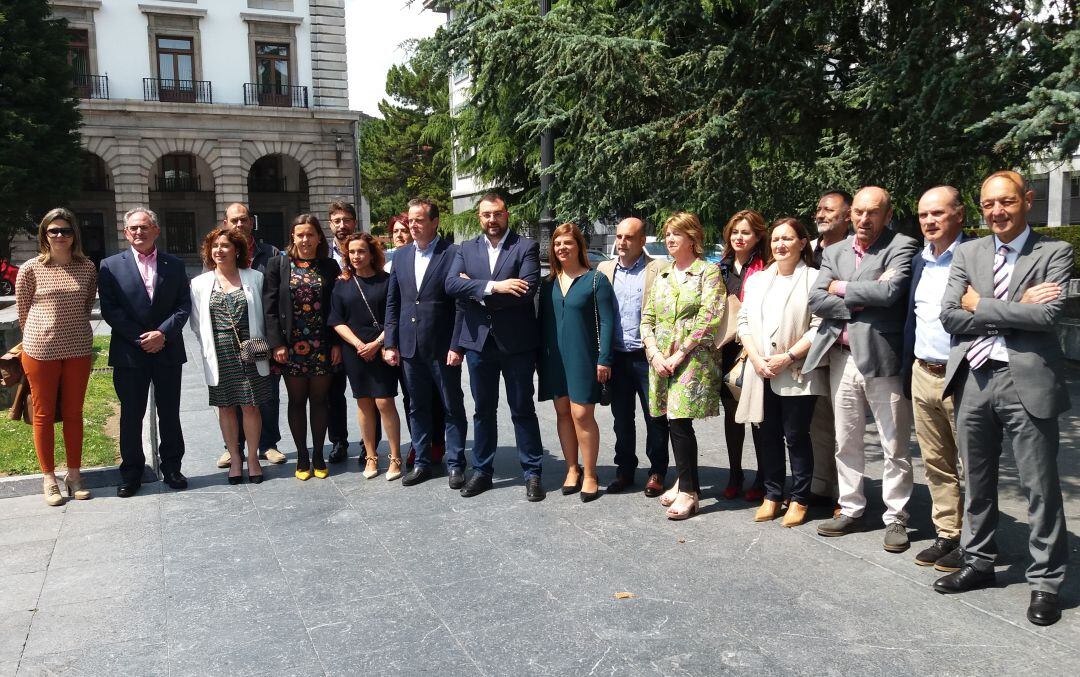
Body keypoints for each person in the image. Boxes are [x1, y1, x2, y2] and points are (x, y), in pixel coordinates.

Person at [934, 171, 1073, 627]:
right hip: (974, 377)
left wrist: (983, 304)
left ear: (1026, 201)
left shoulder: (1055, 251)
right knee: (976, 479)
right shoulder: (970, 251)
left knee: (1040, 487)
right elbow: (949, 316)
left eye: (1006, 202)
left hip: (1027, 382)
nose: (997, 211)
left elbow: (1048, 315)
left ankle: (1046, 582)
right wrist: (1015, 308)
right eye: (989, 204)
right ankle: (978, 562)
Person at [804, 186, 918, 552]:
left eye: (874, 212)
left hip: (884, 359)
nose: (864, 219)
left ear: (887, 214)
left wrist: (842, 288)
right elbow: (817, 300)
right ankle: (851, 507)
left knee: (893, 443)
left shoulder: (902, 245)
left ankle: (896, 516)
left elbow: (891, 294)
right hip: (842, 357)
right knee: (846, 438)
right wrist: (861, 293)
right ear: (850, 214)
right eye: (859, 212)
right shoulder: (834, 250)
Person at [445, 193, 546, 501]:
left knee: (522, 409)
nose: (492, 220)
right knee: (482, 410)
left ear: (507, 214)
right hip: (478, 344)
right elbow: (451, 285)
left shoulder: (525, 246)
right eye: (486, 214)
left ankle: (532, 473)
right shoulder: (466, 248)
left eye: (497, 214)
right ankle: (483, 471)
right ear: (480, 218)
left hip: (516, 344)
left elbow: (526, 291)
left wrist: (473, 289)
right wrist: (495, 286)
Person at [735, 218, 823, 527]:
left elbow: (819, 327)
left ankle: (799, 498)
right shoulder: (758, 279)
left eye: (787, 238)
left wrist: (787, 357)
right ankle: (772, 494)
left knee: (796, 436)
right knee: (766, 435)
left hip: (796, 370)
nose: (780, 245)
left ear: (803, 243)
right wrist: (757, 358)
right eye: (775, 239)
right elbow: (743, 321)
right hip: (761, 370)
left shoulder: (815, 279)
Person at [98, 207, 191, 497]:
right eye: (134, 228)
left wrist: (163, 333)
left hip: (167, 349)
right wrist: (141, 339)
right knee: (131, 415)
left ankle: (173, 467)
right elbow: (110, 309)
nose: (139, 232)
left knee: (169, 413)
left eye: (145, 227)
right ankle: (132, 473)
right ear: (126, 233)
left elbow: (183, 305)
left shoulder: (174, 264)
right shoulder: (110, 266)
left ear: (156, 231)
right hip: (130, 352)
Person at [902, 186, 968, 570]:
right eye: (924, 214)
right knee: (936, 461)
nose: (929, 221)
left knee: (971, 463)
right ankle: (949, 534)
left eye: (938, 213)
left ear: (958, 215)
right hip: (923, 370)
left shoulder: (975, 256)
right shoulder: (920, 261)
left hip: (963, 374)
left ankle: (976, 541)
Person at [641, 212, 724, 520]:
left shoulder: (708, 272)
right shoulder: (663, 275)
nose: (670, 239)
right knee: (668, 419)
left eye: (676, 234)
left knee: (679, 419)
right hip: (661, 358)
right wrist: (653, 353)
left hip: (692, 358)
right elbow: (647, 318)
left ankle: (689, 492)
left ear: (693, 237)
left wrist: (680, 354)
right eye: (667, 234)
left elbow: (709, 318)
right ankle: (686, 481)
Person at [382, 198, 468, 487]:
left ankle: (456, 463)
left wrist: (457, 346)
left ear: (435, 222)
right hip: (409, 347)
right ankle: (422, 462)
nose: (413, 225)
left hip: (443, 347)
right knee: (417, 406)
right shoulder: (402, 256)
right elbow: (394, 303)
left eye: (419, 220)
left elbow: (460, 305)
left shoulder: (453, 253)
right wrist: (390, 343)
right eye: (410, 220)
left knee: (451, 406)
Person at [15, 208, 97, 506]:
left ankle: (74, 475)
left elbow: (86, 305)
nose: (60, 236)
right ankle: (49, 478)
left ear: (74, 234)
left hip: (78, 349)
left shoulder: (86, 267)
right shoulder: (30, 268)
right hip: (40, 351)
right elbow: (23, 312)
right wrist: (41, 334)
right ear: (44, 235)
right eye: (54, 231)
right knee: (43, 414)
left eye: (66, 230)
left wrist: (68, 330)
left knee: (74, 413)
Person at [537, 223, 614, 502]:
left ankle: (591, 473)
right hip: (555, 359)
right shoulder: (547, 285)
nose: (562, 248)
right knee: (562, 413)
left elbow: (607, 321)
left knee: (582, 414)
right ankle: (572, 468)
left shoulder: (596, 280)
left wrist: (605, 358)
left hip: (584, 358)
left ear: (579, 246)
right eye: (557, 244)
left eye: (568, 243)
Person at [190, 228, 273, 484]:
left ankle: (253, 458)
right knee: (225, 406)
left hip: (250, 351)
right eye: (215, 246)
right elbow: (196, 322)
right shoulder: (199, 284)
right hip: (220, 352)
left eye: (225, 245)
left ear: (237, 249)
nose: (219, 250)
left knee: (250, 405)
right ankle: (235, 458)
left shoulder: (255, 278)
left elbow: (265, 315)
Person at [264, 214, 342, 481]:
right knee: (297, 401)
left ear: (319, 237)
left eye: (310, 234)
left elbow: (337, 307)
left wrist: (335, 344)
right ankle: (302, 455)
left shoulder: (329, 266)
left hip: (322, 344)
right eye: (300, 235)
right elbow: (270, 309)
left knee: (320, 401)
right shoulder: (278, 265)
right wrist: (277, 344)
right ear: (293, 237)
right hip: (291, 346)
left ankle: (319, 454)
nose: (305, 240)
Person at [596, 217, 670, 497]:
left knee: (655, 416)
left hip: (647, 355)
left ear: (642, 241)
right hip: (617, 355)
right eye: (619, 237)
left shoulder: (659, 268)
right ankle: (625, 470)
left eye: (629, 237)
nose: (622, 243)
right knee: (621, 418)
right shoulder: (604, 269)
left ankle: (657, 472)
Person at [215, 202, 286, 469]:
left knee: (266, 394)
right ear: (225, 223)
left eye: (244, 220)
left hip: (262, 336)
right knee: (231, 395)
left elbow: (278, 296)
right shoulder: (218, 254)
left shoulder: (271, 253)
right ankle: (233, 448)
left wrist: (277, 338)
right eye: (234, 220)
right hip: (229, 340)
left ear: (251, 222)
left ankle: (269, 444)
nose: (240, 225)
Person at [329, 233, 403, 481]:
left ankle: (395, 456)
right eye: (351, 252)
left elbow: (395, 316)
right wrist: (360, 344)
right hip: (355, 350)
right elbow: (337, 320)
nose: (356, 256)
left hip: (382, 348)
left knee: (384, 402)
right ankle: (371, 455)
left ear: (372, 254)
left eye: (361, 251)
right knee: (363, 402)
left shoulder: (387, 281)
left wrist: (377, 343)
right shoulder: (342, 283)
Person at [384, 211, 445, 465]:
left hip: (434, 342)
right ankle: (419, 449)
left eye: (406, 227)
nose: (402, 233)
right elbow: (392, 303)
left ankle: (437, 446)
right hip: (404, 342)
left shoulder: (445, 253)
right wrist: (390, 342)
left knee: (438, 399)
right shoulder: (394, 259)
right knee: (413, 400)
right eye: (398, 229)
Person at [717, 209, 767, 501]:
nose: (739, 237)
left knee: (759, 417)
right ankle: (735, 473)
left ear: (758, 235)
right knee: (733, 417)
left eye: (745, 232)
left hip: (756, 350)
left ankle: (763, 477)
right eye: (735, 232)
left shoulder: (765, 267)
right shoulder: (721, 267)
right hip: (727, 350)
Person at [808, 190, 853, 509]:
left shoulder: (856, 252)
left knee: (844, 424)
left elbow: (857, 301)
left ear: (847, 216)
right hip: (807, 347)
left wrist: (835, 293)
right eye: (820, 209)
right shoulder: (806, 249)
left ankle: (845, 494)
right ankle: (820, 484)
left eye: (830, 210)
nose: (822, 214)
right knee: (817, 421)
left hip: (843, 347)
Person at [325, 200, 356, 465]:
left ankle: (371, 442)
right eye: (337, 221)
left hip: (364, 335)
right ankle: (338, 441)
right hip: (334, 336)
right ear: (330, 224)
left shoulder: (368, 249)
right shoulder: (322, 256)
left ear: (354, 222)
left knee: (371, 393)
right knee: (333, 394)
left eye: (346, 220)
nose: (342, 225)